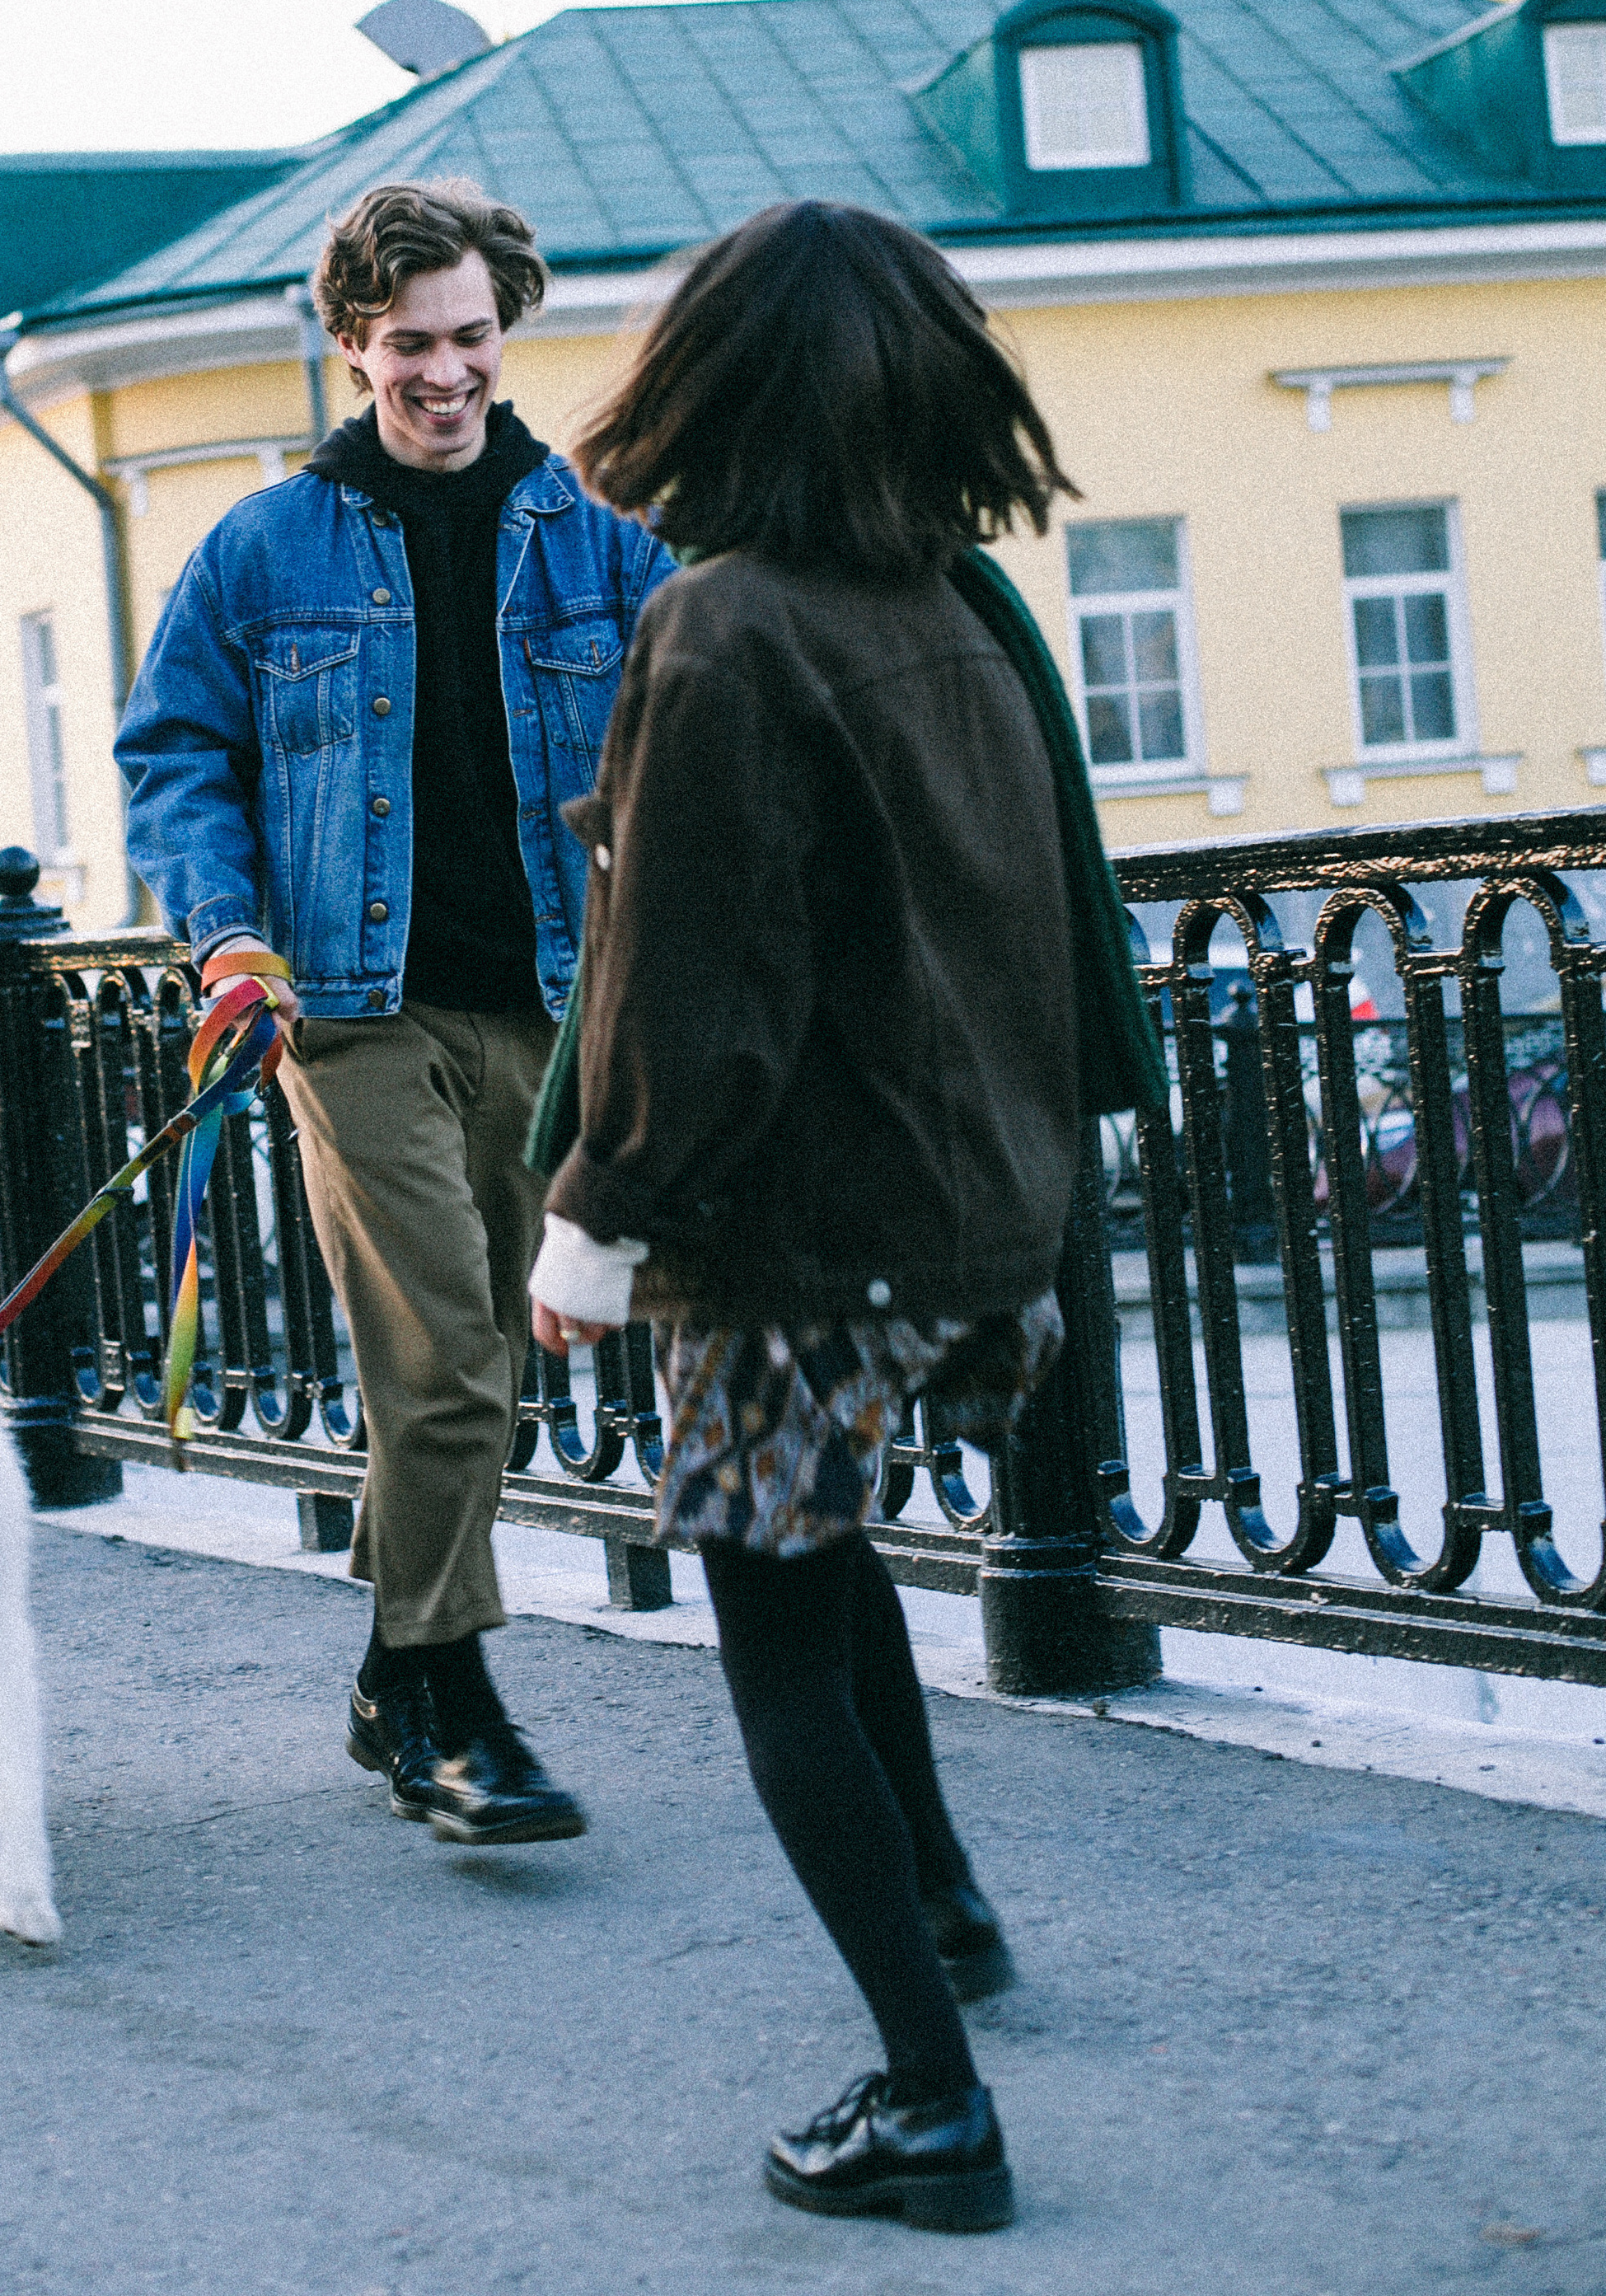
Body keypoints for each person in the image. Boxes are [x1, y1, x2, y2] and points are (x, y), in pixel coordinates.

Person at [526, 202, 1155, 2233]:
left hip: (801, 1237)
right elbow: (1062, 905)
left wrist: (594, 1218)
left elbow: (693, 988)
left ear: (709, 380)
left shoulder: (723, 624)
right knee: (826, 1562)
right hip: (982, 1212)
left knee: (769, 1613)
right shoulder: (956, 602)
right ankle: (950, 1912)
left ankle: (929, 2096)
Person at [117, 178, 669, 1845]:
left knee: (484, 1376)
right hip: (346, 1016)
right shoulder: (262, 548)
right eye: (409, 344)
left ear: (507, 331)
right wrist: (223, 935)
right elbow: (175, 758)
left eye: (472, 339)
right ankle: (460, 1712)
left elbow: (685, 740)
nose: (444, 374)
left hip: (553, 1011)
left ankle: (390, 1674)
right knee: (441, 1364)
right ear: (350, 343)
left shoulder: (602, 542)